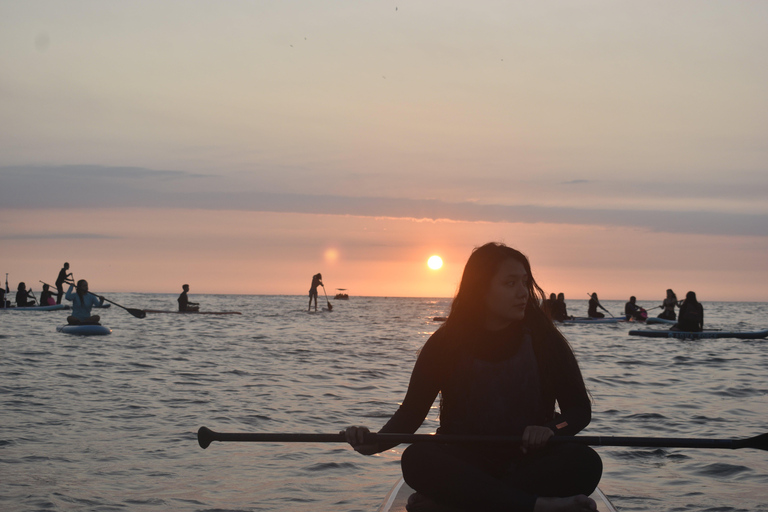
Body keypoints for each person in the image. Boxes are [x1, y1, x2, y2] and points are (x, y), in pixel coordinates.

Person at [343, 242, 602, 512]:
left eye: (525, 282)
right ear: (481, 289)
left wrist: (551, 429)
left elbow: (578, 411)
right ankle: (537, 506)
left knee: (586, 462)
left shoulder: (545, 341)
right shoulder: (445, 343)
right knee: (416, 459)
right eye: (510, 283)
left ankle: (458, 503)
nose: (523, 293)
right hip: (464, 460)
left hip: (528, 462)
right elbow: (411, 414)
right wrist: (374, 442)